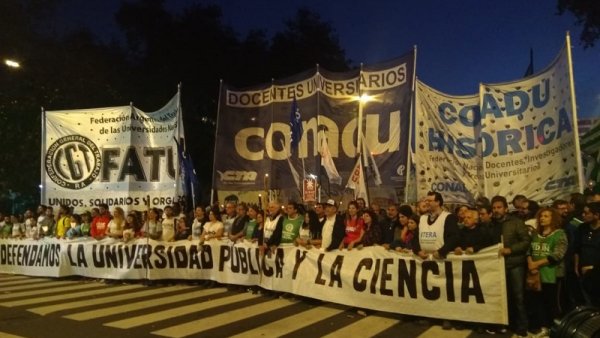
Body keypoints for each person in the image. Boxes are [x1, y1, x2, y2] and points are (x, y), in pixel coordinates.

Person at [488, 195, 531, 337]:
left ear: (506, 209)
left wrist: (510, 249)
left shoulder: (516, 222)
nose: (496, 210)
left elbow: (526, 241)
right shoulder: (490, 224)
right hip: (496, 266)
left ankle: (522, 326)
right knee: (500, 297)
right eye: (494, 208)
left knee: (518, 297)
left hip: (514, 264)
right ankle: (503, 324)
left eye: (499, 207)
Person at [526, 207, 567, 336]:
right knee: (537, 302)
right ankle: (542, 326)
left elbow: (557, 255)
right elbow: (529, 251)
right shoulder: (535, 235)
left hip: (552, 275)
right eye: (541, 216)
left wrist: (536, 263)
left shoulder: (560, 234)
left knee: (552, 303)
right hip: (536, 275)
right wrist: (530, 264)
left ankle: (553, 329)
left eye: (546, 216)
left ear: (553, 218)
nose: (542, 218)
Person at [574, 202, 600, 307]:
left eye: (586, 213)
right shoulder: (582, 228)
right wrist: (576, 267)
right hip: (583, 273)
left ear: (597, 215)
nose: (583, 215)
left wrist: (593, 268)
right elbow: (577, 248)